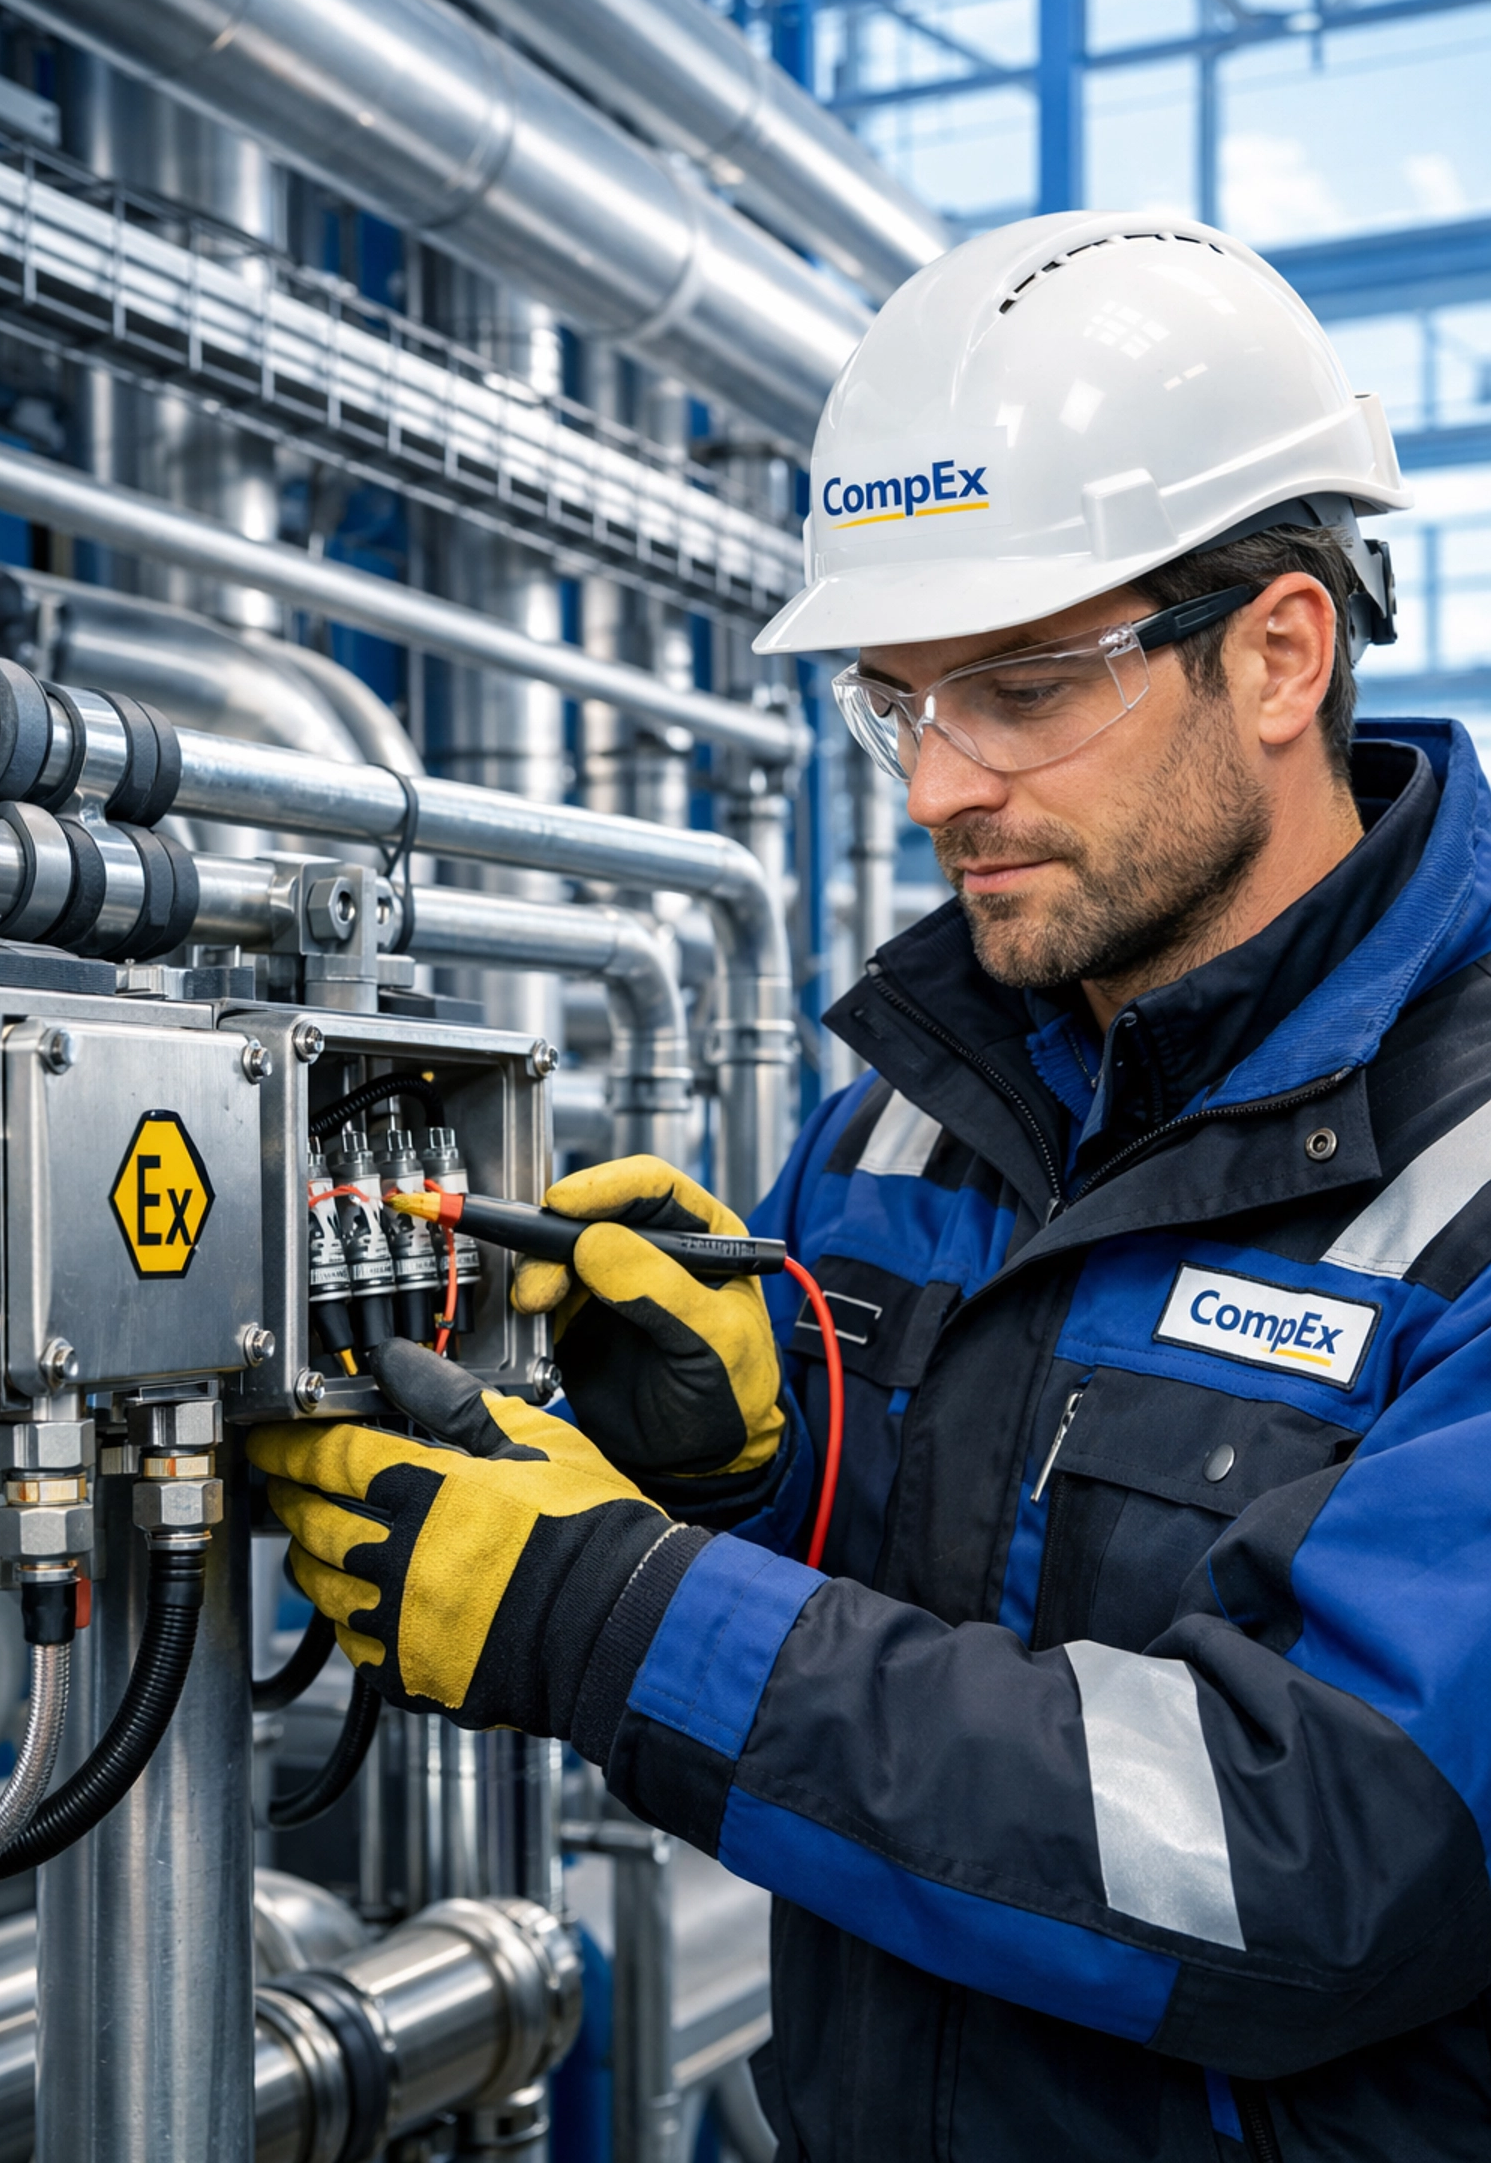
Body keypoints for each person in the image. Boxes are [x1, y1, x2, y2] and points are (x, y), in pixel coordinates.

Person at [253, 212, 1491, 2161]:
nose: (934, 788)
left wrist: (612, 1613)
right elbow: (951, 1597)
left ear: (1278, 653)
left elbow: (1308, 1862)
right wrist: (768, 1451)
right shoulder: (922, 1099)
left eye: (1015, 687)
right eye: (899, 702)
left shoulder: (1470, 1166)